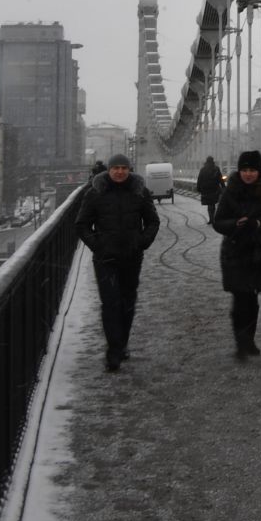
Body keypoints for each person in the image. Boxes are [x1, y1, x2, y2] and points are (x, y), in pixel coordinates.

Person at [74, 153, 161, 372]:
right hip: (106, 258)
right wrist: (98, 245)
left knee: (127, 303)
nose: (120, 171)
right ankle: (114, 351)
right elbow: (81, 224)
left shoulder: (140, 192)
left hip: (132, 257)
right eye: (116, 168)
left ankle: (121, 344)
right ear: (109, 170)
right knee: (110, 303)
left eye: (124, 167)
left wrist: (141, 242)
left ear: (129, 169)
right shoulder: (95, 193)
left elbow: (152, 221)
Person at [212, 149, 261, 360]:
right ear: (239, 171)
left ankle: (249, 339)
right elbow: (218, 221)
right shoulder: (230, 191)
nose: (248, 174)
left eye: (252, 170)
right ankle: (241, 342)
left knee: (252, 300)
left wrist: (259, 224)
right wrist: (235, 224)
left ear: (259, 171)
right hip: (234, 250)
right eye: (244, 170)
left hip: (257, 252)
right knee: (240, 298)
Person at [196, 155, 224, 224]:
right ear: (212, 161)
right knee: (213, 204)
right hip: (215, 189)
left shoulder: (203, 169)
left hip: (206, 190)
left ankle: (211, 219)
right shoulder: (216, 169)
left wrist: (198, 188)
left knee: (209, 205)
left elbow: (199, 179)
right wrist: (223, 187)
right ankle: (213, 218)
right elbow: (220, 178)